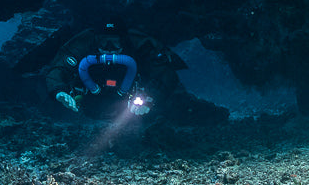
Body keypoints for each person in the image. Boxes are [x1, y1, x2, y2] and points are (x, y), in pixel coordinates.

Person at [43, 23, 226, 123]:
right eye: (103, 43)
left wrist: (151, 99)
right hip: (89, 104)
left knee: (177, 111)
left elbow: (166, 75)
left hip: (134, 108)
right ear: (95, 41)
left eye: (114, 43)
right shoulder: (81, 46)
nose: (109, 49)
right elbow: (58, 68)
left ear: (124, 42)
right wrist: (59, 91)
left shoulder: (139, 47)